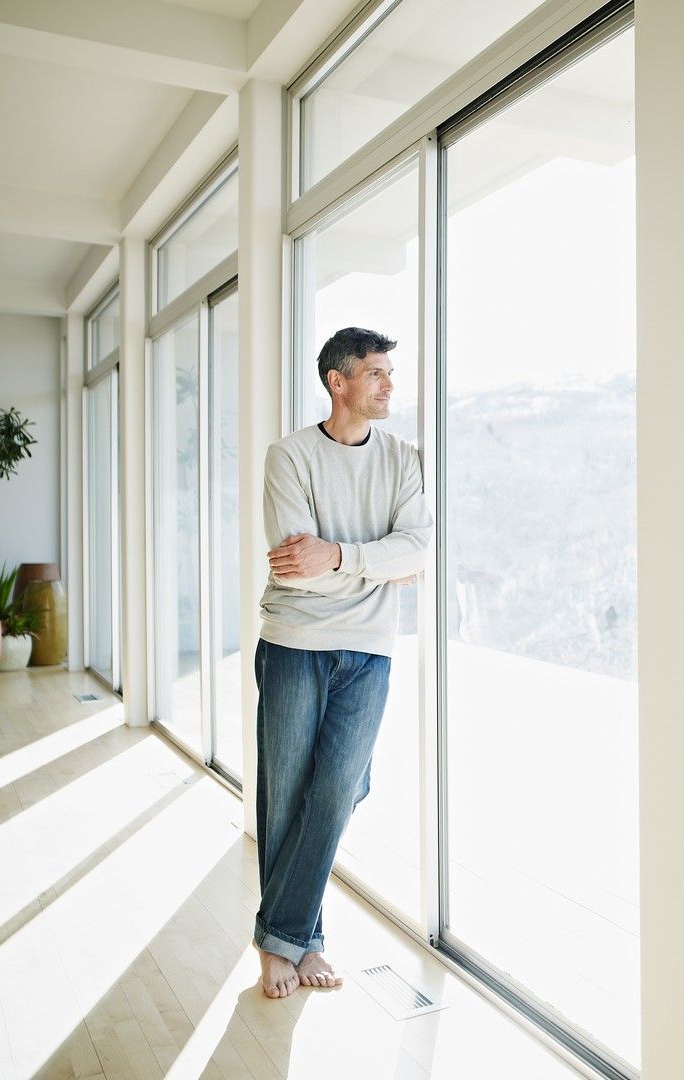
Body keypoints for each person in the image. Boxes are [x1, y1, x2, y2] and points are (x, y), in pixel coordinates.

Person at [253, 326, 432, 998]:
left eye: (390, 373)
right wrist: (380, 565)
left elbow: (417, 550)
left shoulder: (403, 458)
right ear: (339, 381)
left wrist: (341, 557)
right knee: (287, 796)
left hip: (370, 650)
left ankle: (280, 930)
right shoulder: (290, 456)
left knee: (338, 790)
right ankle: (299, 942)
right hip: (296, 643)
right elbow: (295, 570)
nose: (390, 385)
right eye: (377, 374)